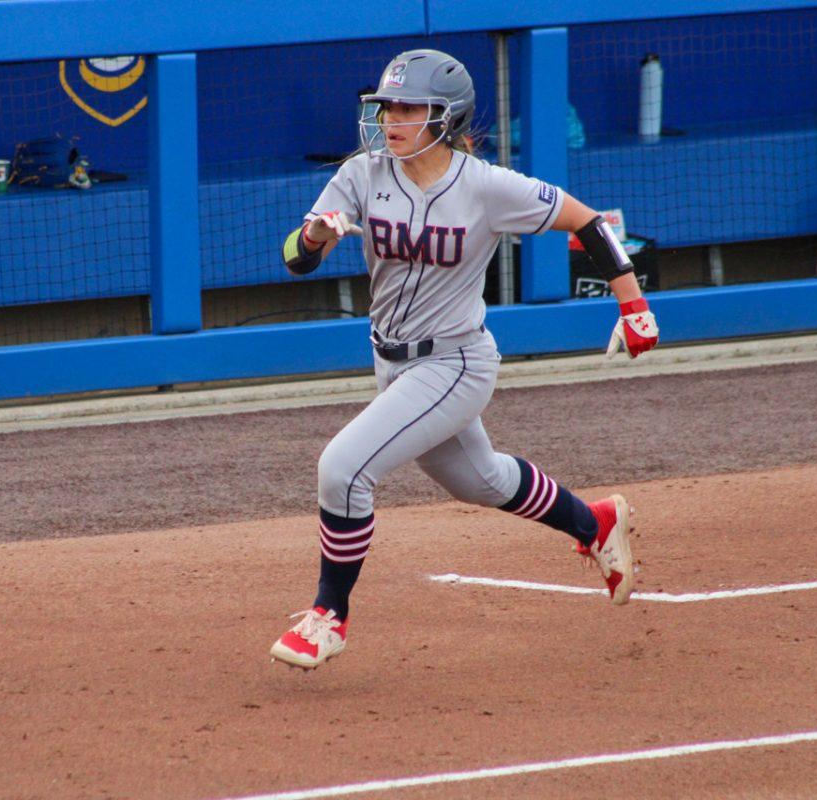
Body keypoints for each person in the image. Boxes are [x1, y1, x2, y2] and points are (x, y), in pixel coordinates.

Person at [269, 49, 660, 670]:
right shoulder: (361, 174)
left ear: (445, 118)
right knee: (484, 481)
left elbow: (587, 222)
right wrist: (316, 235)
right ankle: (595, 523)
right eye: (387, 106)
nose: (391, 118)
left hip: (457, 365)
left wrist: (632, 305)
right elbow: (295, 254)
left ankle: (328, 616)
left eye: (408, 108)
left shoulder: (484, 186)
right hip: (392, 365)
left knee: (343, 469)